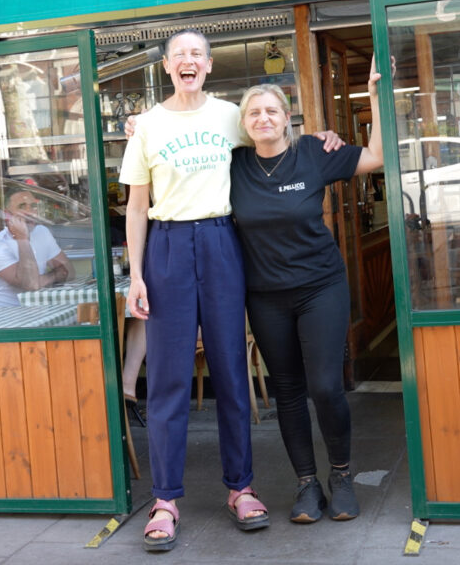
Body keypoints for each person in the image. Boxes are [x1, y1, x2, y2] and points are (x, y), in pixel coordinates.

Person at [122, 29, 347, 551]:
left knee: (230, 371)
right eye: (179, 55)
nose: (188, 61)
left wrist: (321, 139)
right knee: (169, 378)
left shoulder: (230, 115)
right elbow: (136, 205)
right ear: (166, 66)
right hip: (168, 245)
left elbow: (274, 139)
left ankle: (240, 488)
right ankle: (165, 500)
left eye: (196, 54)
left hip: (223, 241)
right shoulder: (147, 125)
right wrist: (136, 275)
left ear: (208, 64)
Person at [229, 61, 384, 524]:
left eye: (271, 111)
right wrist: (140, 128)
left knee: (325, 386)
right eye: (254, 112)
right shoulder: (233, 165)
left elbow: (375, 157)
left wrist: (374, 97)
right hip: (265, 295)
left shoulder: (314, 151)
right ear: (244, 123)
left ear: (287, 118)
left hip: (320, 287)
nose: (263, 118)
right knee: (288, 391)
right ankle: (306, 484)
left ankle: (342, 476)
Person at [0, 185, 72, 309]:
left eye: (33, 206)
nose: (31, 212)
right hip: (5, 315)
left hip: (36, 310)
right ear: (7, 214)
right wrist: (22, 239)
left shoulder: (41, 232)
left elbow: (68, 271)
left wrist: (44, 279)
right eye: (22, 206)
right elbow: (31, 284)